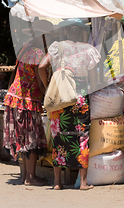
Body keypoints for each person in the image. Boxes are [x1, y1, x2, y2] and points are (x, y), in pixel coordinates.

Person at [39, 18, 100, 191]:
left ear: (65, 31)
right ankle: (83, 183)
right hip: (80, 98)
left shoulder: (56, 47)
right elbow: (94, 80)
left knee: (58, 136)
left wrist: (47, 87)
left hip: (59, 99)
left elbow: (42, 66)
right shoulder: (89, 50)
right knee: (82, 137)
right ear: (81, 32)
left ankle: (57, 183)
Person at [3, 19, 53, 186]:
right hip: (27, 101)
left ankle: (25, 175)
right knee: (32, 139)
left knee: (22, 139)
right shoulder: (38, 54)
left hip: (14, 99)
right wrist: (48, 92)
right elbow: (39, 81)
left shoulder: (23, 49)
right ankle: (30, 178)